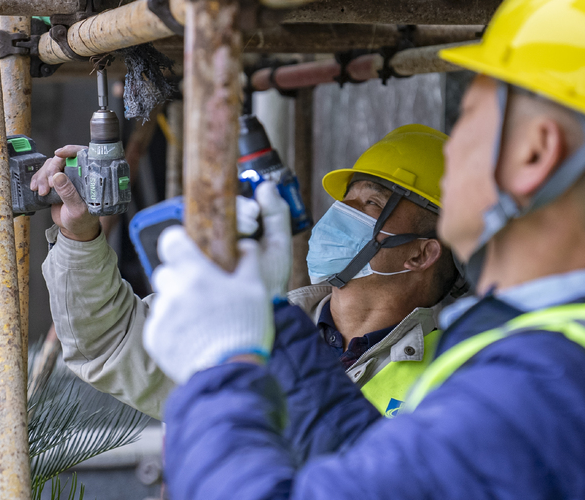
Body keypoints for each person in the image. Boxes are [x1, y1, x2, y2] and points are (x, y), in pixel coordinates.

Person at [142, 0, 585, 500]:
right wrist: (266, 322)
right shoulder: (572, 347)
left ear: (535, 154)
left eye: (469, 118)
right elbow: (385, 473)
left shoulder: (550, 388)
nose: (452, 159)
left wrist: (223, 367)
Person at [36, 123, 459, 419]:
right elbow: (108, 342)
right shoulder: (247, 326)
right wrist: (78, 236)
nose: (337, 215)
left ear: (420, 255)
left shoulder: (458, 374)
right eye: (344, 201)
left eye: (369, 204)